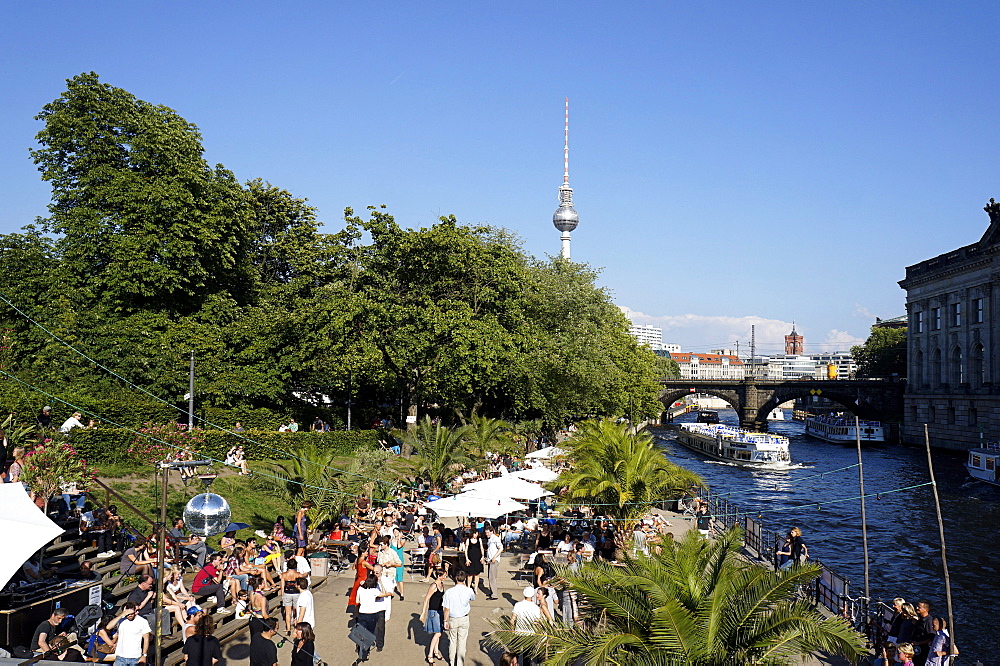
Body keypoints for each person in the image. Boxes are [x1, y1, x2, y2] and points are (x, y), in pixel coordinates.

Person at [354, 575, 392, 665]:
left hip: (362, 614)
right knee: (369, 633)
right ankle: (365, 652)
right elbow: (383, 593)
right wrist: (381, 584)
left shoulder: (360, 589)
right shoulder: (374, 591)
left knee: (361, 633)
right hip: (371, 615)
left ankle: (360, 650)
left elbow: (357, 601)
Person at [442, 569, 477, 666]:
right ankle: (460, 663)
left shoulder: (449, 592)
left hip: (453, 618)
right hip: (464, 618)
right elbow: (473, 598)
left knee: (453, 641)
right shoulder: (469, 590)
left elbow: (447, 608)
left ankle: (452, 662)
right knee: (462, 642)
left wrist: (445, 621)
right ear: (465, 579)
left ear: (456, 578)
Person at [419, 568, 448, 664]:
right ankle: (430, 654)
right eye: (444, 575)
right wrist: (423, 613)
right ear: (439, 576)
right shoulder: (434, 585)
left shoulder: (442, 584)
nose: (445, 577)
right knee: (438, 633)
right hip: (433, 611)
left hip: (440, 610)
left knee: (439, 632)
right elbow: (426, 599)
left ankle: (436, 651)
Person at [511, 586, 543, 665]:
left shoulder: (518, 605)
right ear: (533, 595)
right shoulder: (536, 608)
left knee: (515, 656)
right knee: (527, 659)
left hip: (518, 633)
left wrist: (512, 631)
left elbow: (512, 620)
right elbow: (538, 623)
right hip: (530, 635)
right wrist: (538, 636)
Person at [112, 602, 150, 666]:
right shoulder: (121, 620)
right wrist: (121, 615)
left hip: (135, 657)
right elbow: (108, 627)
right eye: (127, 613)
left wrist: (144, 655)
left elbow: (146, 639)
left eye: (131, 613)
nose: (130, 615)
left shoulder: (142, 622)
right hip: (120, 656)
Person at [280, 559, 301, 634]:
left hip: (287, 593)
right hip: (296, 593)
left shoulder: (283, 575)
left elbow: (282, 586)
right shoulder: (298, 574)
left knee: (288, 612)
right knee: (296, 611)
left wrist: (283, 595)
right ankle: (296, 627)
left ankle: (288, 628)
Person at [461, 528, 484, 593]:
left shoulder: (479, 540)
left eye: (476, 533)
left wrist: (482, 557)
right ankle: (468, 587)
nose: (475, 535)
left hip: (478, 558)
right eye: (474, 533)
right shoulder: (468, 540)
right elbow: (466, 550)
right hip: (470, 558)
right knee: (470, 574)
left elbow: (481, 548)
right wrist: (467, 559)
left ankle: (475, 588)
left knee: (477, 574)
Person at [483, 525, 503, 601]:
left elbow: (501, 548)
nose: (486, 534)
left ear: (492, 532)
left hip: (494, 561)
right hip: (490, 560)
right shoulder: (490, 539)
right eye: (486, 533)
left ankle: (494, 594)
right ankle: (492, 591)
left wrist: (494, 557)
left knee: (492, 577)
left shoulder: (495, 539)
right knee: (490, 577)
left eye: (488, 532)